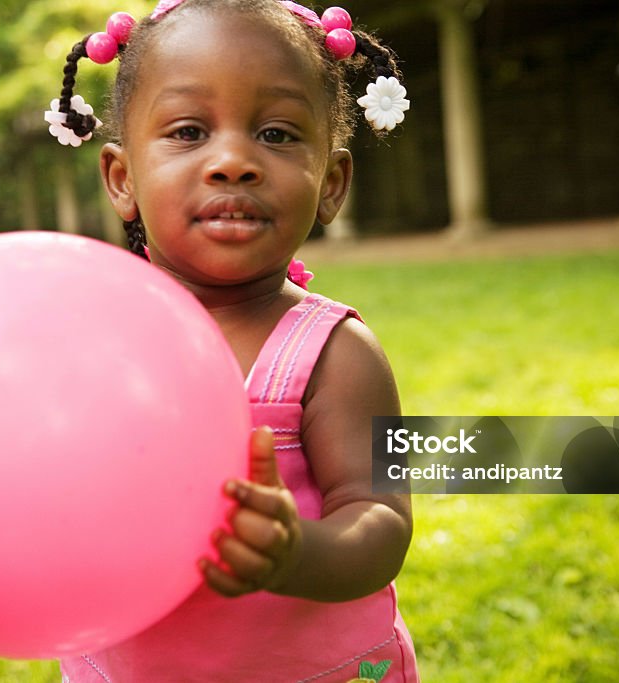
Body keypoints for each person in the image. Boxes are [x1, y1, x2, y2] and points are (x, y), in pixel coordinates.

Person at [45, 1, 417, 680]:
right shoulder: (96, 343)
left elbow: (383, 517)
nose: (234, 161)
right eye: (188, 130)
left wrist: (297, 551)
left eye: (276, 134)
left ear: (330, 184)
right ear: (122, 178)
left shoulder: (339, 353)